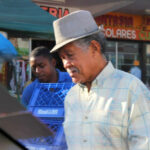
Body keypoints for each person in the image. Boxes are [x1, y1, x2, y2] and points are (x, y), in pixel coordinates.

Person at [50, 10, 150, 150]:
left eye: (70, 55)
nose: (66, 64)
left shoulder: (132, 89)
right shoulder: (71, 97)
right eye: (62, 58)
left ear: (94, 48)